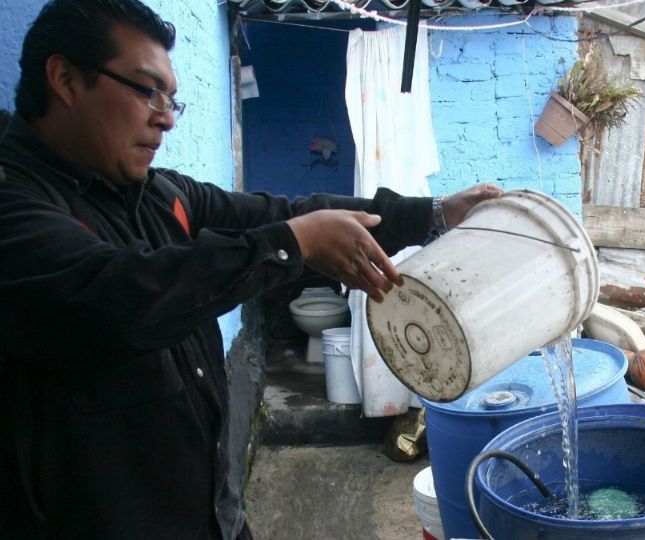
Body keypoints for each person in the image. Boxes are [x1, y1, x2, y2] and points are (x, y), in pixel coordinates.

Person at [0, 1, 502, 539]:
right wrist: (294, 244)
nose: (165, 117)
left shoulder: (157, 194)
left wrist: (433, 214)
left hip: (211, 518)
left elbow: (283, 213)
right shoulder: (18, 209)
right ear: (66, 79)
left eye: (172, 99)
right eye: (147, 90)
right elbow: (120, 297)